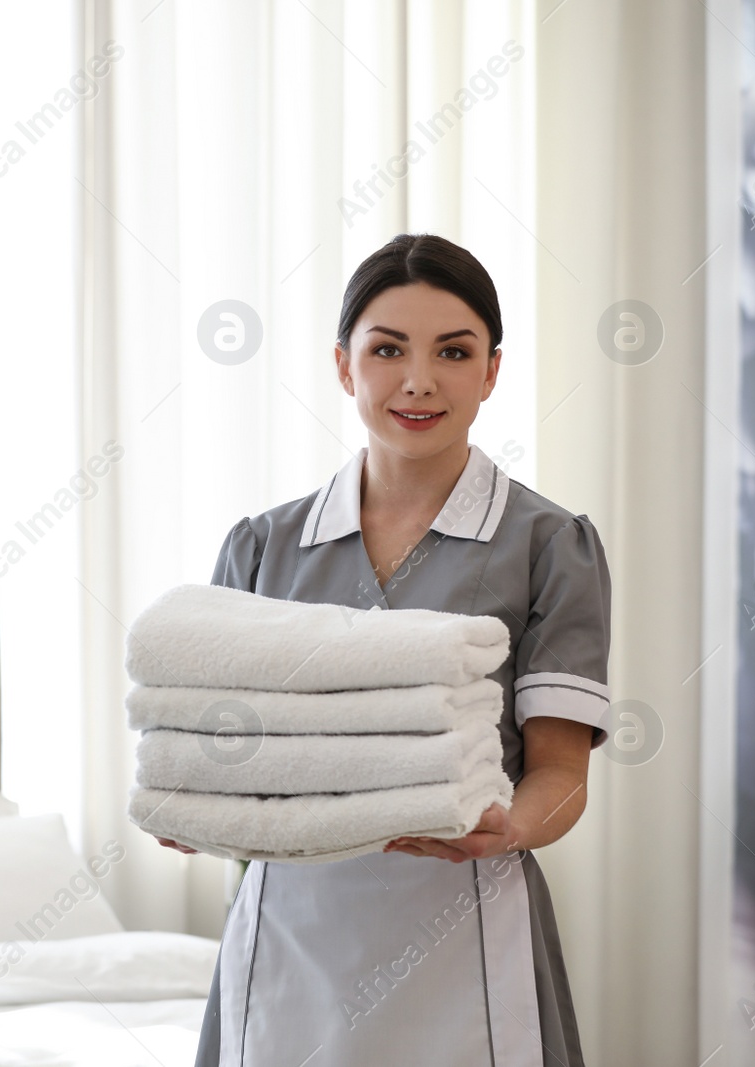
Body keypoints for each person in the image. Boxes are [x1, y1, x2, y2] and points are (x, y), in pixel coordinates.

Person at [158, 233, 610, 1067]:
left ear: (492, 371)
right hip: (292, 938)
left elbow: (562, 775)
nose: (419, 380)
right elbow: (215, 739)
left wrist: (507, 826)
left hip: (468, 930)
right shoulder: (263, 548)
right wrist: (196, 800)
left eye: (453, 351)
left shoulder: (549, 544)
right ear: (343, 365)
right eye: (388, 349)